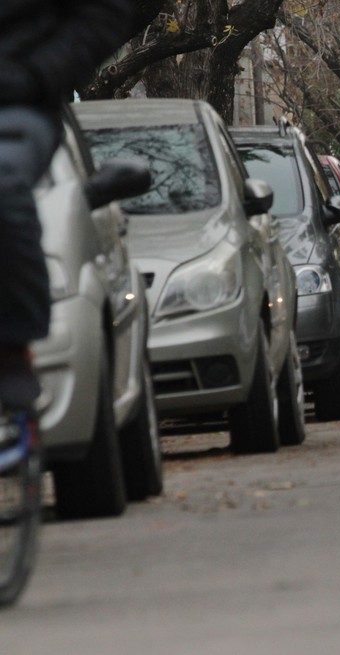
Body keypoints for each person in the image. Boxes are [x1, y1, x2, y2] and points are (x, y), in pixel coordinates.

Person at [0, 0, 137, 410]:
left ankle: (12, 347)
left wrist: (35, 74)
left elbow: (105, 15)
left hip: (17, 102)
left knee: (3, 186)